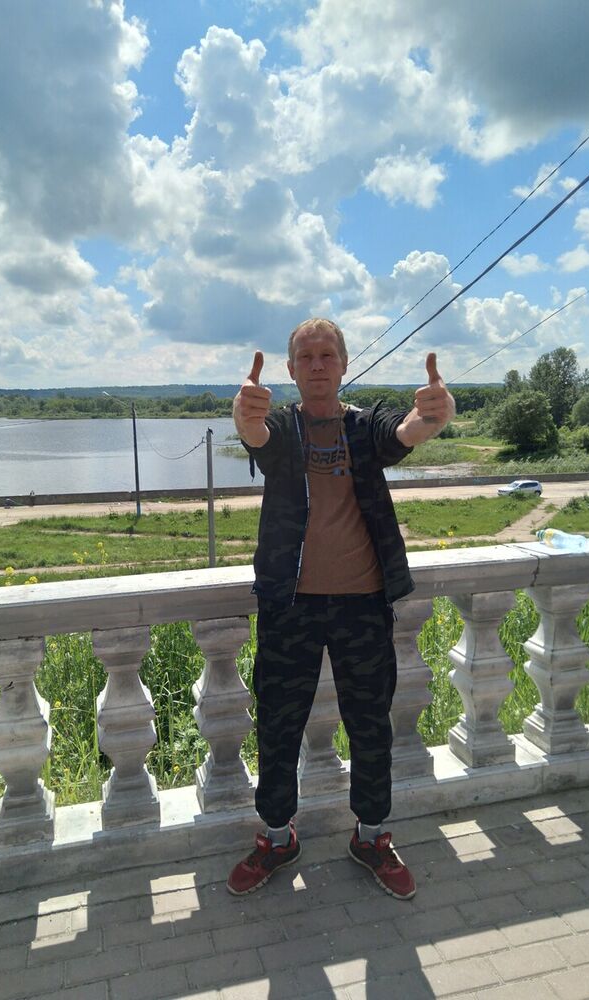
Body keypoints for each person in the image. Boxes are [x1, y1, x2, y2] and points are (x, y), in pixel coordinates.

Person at [227, 317, 455, 899]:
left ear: (344, 364)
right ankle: (277, 838)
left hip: (363, 605)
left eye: (328, 354)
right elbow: (257, 438)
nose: (318, 364)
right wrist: (243, 417)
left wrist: (430, 417)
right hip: (290, 606)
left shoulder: (364, 425)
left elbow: (402, 432)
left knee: (370, 725)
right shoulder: (283, 428)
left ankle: (371, 837)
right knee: (279, 724)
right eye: (306, 356)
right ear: (291, 370)